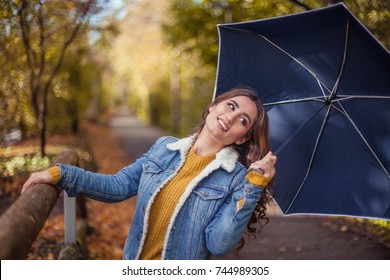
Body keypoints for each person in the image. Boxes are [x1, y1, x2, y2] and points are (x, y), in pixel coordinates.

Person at [22, 87, 277, 260]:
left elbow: (219, 243)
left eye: (243, 120)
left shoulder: (235, 179)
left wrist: (254, 185)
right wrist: (62, 175)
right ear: (213, 107)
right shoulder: (164, 148)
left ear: (243, 138)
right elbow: (118, 185)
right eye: (230, 106)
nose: (231, 117)